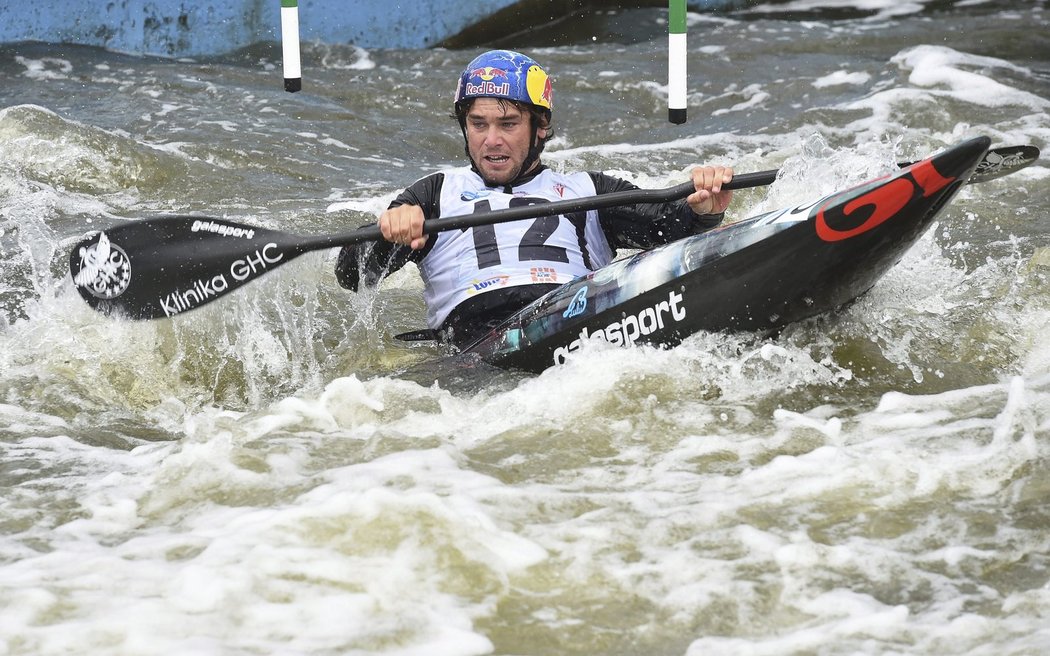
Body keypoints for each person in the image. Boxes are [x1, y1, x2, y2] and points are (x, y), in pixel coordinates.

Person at [335, 49, 734, 349]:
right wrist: (388, 232)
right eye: (478, 124)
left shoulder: (587, 189)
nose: (492, 140)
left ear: (540, 128)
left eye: (508, 124)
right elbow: (352, 274)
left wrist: (704, 209)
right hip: (475, 340)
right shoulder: (434, 193)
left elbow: (670, 227)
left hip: (578, 316)